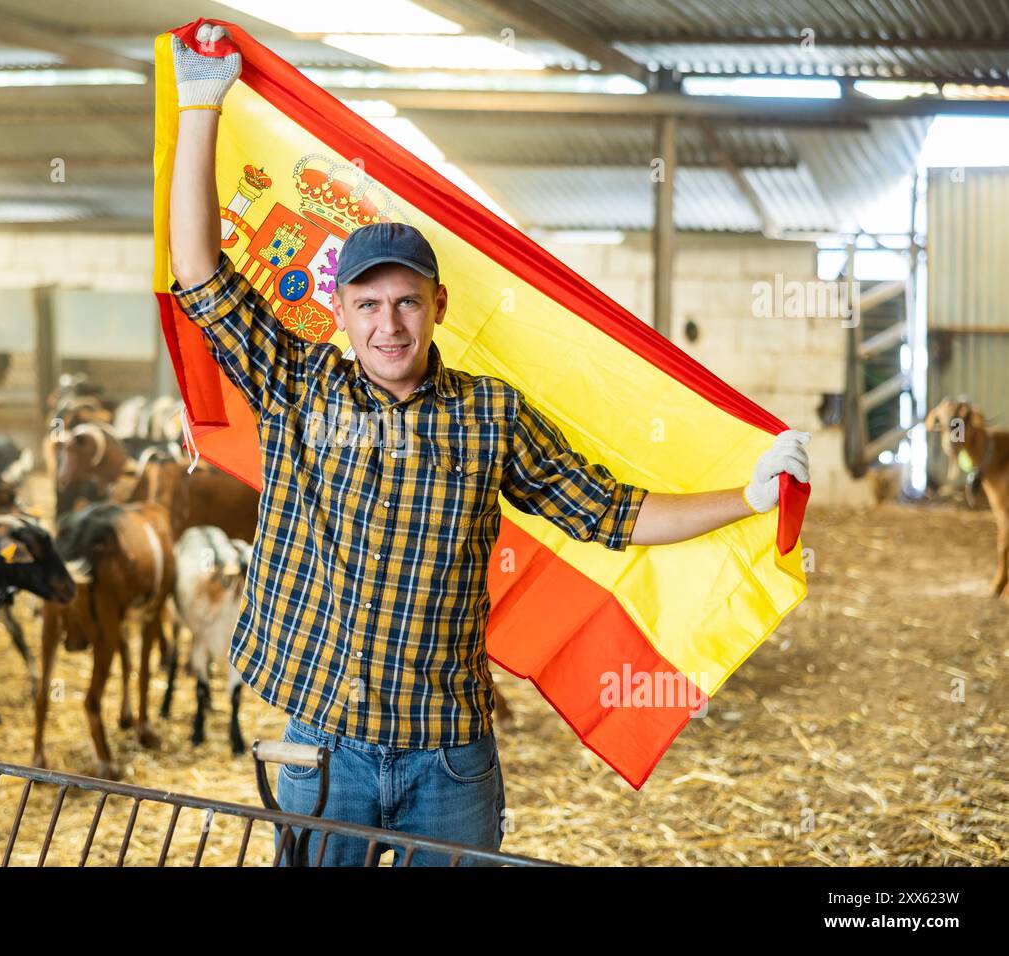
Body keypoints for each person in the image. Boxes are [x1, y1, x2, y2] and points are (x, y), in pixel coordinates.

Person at [166, 21, 810, 866]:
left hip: (449, 757)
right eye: (367, 305)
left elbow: (610, 512)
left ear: (439, 308)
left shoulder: (491, 415)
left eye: (406, 303)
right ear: (340, 314)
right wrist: (200, 102)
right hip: (323, 747)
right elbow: (200, 274)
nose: (388, 324)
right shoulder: (297, 386)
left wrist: (750, 498)